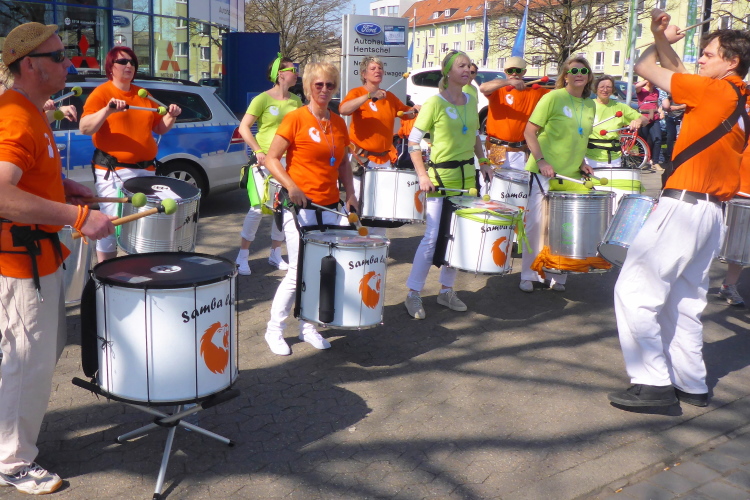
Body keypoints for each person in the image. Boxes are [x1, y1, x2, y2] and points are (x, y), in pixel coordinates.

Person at [608, 11, 750, 408]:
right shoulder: (738, 98)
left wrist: (657, 37)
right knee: (684, 302)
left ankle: (653, 383)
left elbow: (645, 67)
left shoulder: (712, 92)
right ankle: (691, 384)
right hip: (711, 213)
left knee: (635, 290)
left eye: (708, 54)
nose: (700, 59)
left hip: (683, 207)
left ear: (731, 61)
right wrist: (662, 38)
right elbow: (680, 72)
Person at [0, 22, 114, 495]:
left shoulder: (29, 112)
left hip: (39, 259)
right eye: (58, 57)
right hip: (20, 265)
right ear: (30, 65)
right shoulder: (15, 117)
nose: (68, 64)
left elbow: (25, 177)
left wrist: (61, 187)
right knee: (26, 361)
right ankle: (12, 462)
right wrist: (77, 215)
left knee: (34, 357)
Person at [262, 61, 357, 355]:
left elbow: (343, 162)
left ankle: (308, 325)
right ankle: (274, 329)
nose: (324, 89)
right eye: (319, 85)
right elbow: (272, 159)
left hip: (330, 206)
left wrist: (351, 194)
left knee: (320, 269)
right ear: (308, 87)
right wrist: (291, 186)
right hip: (300, 207)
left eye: (330, 84)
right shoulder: (296, 119)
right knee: (298, 270)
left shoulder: (338, 122)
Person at [403, 50, 493, 319]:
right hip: (439, 179)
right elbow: (413, 141)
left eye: (469, 65)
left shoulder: (471, 100)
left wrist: (484, 162)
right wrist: (422, 175)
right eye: (461, 66)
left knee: (457, 236)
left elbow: (474, 135)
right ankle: (413, 293)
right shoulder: (434, 103)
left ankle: (446, 290)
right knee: (432, 237)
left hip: (467, 179)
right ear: (448, 72)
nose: (467, 69)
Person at [79, 46, 181, 263]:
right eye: (123, 62)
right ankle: (106, 272)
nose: (129, 66)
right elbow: (85, 127)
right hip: (113, 170)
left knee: (144, 224)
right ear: (110, 67)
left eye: (132, 62)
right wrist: (107, 110)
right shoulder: (102, 93)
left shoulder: (143, 94)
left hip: (147, 170)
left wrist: (171, 116)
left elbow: (159, 128)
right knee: (111, 223)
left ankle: (140, 269)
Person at [519, 56, 596, 293]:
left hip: (571, 175)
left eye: (583, 71)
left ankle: (556, 273)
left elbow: (579, 137)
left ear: (589, 76)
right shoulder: (552, 97)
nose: (578, 75)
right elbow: (529, 131)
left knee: (565, 228)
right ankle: (529, 274)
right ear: (565, 76)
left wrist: (582, 163)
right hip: (544, 172)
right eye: (573, 71)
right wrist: (541, 160)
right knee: (536, 226)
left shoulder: (590, 104)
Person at [234, 55, 301, 275]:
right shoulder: (262, 99)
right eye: (293, 70)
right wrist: (258, 150)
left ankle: (275, 254)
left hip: (287, 161)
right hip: (263, 163)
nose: (297, 73)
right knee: (257, 208)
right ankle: (242, 256)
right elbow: (244, 127)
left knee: (282, 209)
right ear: (280, 74)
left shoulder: (296, 101)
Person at [339, 55, 417, 235]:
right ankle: (345, 240)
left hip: (383, 160)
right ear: (364, 74)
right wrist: (368, 96)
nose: (378, 71)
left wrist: (416, 110)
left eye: (380, 68)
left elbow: (407, 113)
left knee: (381, 206)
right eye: (373, 68)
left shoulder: (389, 97)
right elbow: (343, 109)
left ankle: (377, 243)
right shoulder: (357, 93)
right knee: (355, 203)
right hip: (361, 159)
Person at [479, 56, 550, 171]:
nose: (514, 73)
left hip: (520, 149)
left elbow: (559, 94)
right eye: (510, 71)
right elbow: (483, 88)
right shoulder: (498, 90)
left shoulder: (534, 92)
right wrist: (508, 82)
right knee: (494, 180)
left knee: (519, 181)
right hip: (496, 147)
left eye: (518, 70)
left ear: (524, 72)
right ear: (505, 72)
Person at [585, 76, 647, 169]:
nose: (605, 90)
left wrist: (639, 120)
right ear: (596, 89)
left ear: (613, 89)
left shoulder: (620, 107)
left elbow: (645, 120)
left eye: (608, 87)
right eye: (602, 87)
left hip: (614, 159)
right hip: (589, 158)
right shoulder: (587, 105)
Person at [718, 146, 750, 307]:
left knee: (742, 248)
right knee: (735, 245)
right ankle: (728, 286)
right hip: (740, 190)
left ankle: (728, 286)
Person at [635, 79, 661, 169]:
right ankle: (644, 161)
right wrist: (647, 79)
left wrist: (660, 111)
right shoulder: (641, 90)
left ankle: (655, 162)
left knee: (657, 139)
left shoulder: (656, 91)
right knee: (644, 140)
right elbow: (636, 87)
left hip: (654, 117)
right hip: (644, 117)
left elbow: (656, 104)